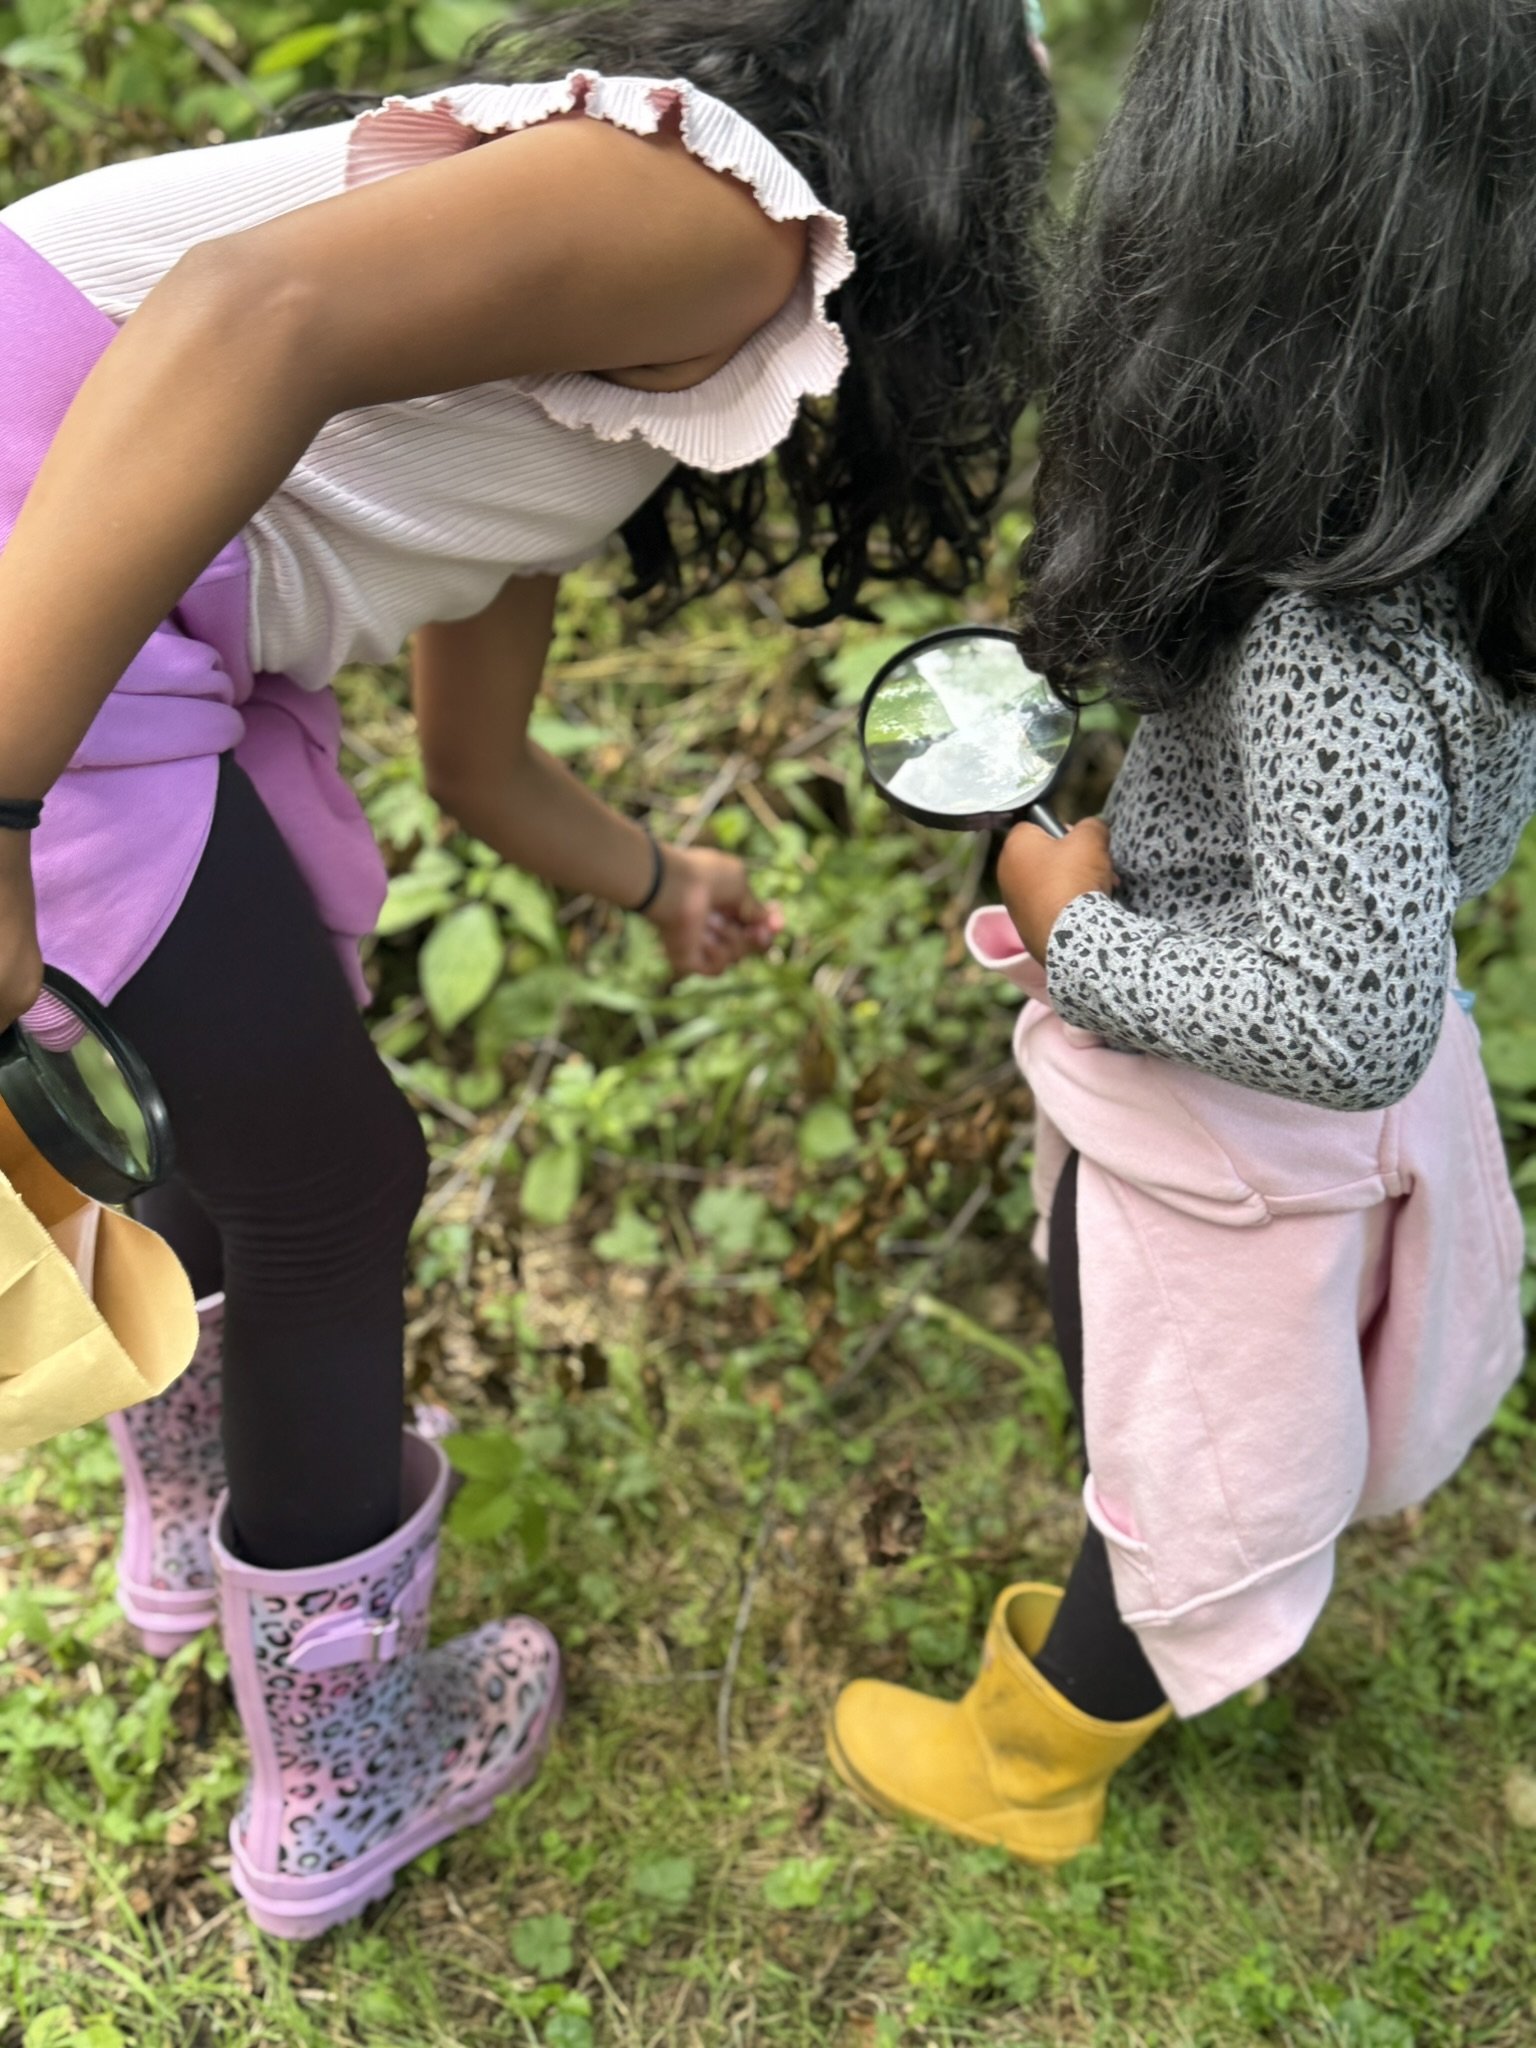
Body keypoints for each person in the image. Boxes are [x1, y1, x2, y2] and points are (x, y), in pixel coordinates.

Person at [0, 0, 1054, 1940]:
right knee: (332, 1179)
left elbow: (476, 761)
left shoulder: (561, 332)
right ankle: (340, 1772)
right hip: (43, 573)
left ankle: (194, 1512)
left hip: (106, 601)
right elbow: (241, 320)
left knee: (233, 1086)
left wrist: (658, 877)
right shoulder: (723, 216)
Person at [829, 0, 1536, 1865]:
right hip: (1258, 1128)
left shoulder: (1325, 644)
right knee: (1183, 1409)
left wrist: (1075, 929)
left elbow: (1345, 1012)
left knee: (1181, 1460)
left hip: (1240, 1149)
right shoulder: (1454, 549)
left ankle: (1035, 1757)